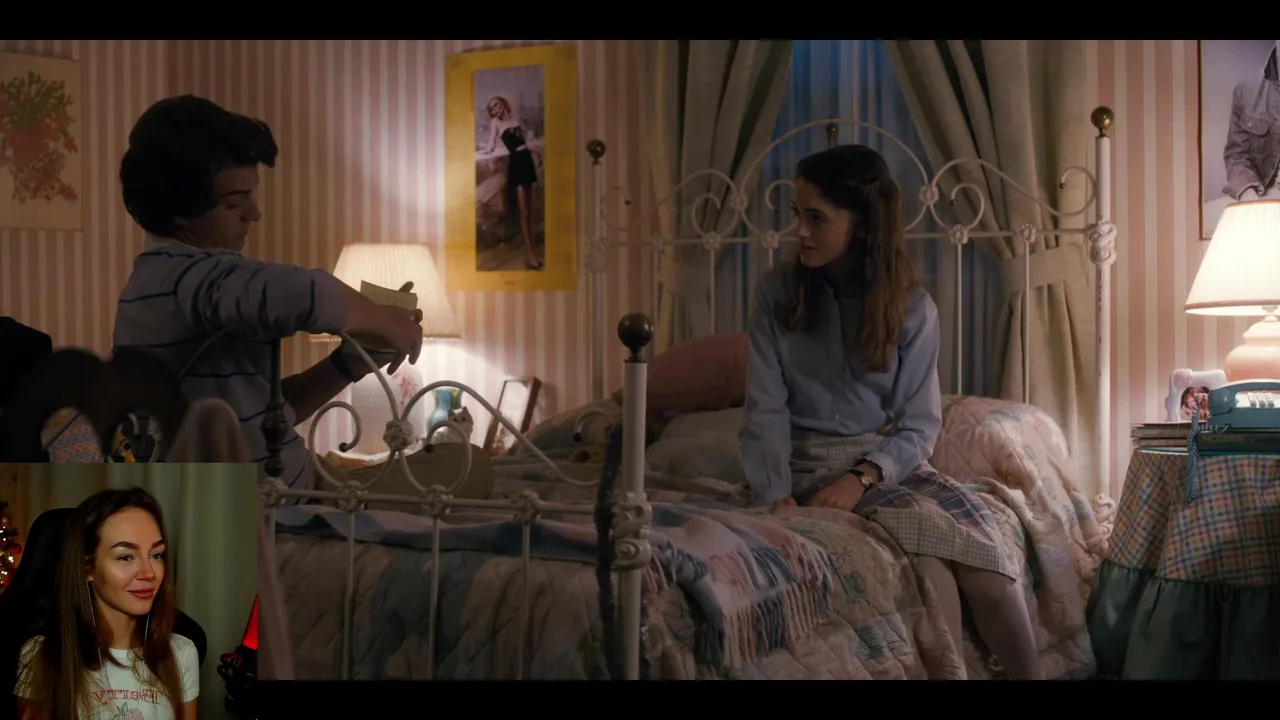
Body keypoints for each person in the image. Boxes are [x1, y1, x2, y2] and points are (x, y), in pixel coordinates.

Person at [738, 144, 1044, 680]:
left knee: (991, 573)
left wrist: (862, 476)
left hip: (884, 467)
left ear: (859, 225)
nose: (799, 231)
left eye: (816, 218)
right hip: (805, 466)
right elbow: (765, 408)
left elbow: (920, 424)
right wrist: (773, 493)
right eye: (797, 214)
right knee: (929, 572)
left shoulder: (911, 308)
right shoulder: (776, 296)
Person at [114, 95, 425, 491]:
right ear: (181, 212)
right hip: (263, 508)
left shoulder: (180, 280)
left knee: (452, 468)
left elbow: (268, 417)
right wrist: (384, 320)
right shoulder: (183, 278)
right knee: (453, 475)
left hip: (292, 489)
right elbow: (299, 293)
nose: (254, 214)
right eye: (234, 203)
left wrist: (347, 364)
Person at [13, 488, 198, 719]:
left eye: (156, 555)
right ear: (87, 568)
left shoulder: (181, 653)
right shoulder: (42, 655)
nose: (149, 573)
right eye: (125, 557)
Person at [478, 94, 544, 270]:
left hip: (527, 161)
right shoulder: (495, 123)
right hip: (516, 164)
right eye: (492, 109)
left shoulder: (516, 119)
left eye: (497, 105)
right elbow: (491, 145)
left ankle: (533, 253)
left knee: (531, 212)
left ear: (503, 104)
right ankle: (530, 256)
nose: (495, 109)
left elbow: (525, 143)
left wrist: (536, 152)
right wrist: (485, 151)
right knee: (524, 212)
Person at [1223, 40, 1280, 201]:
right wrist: (1249, 196)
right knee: (1206, 213)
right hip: (1261, 194)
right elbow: (1236, 156)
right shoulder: (1245, 90)